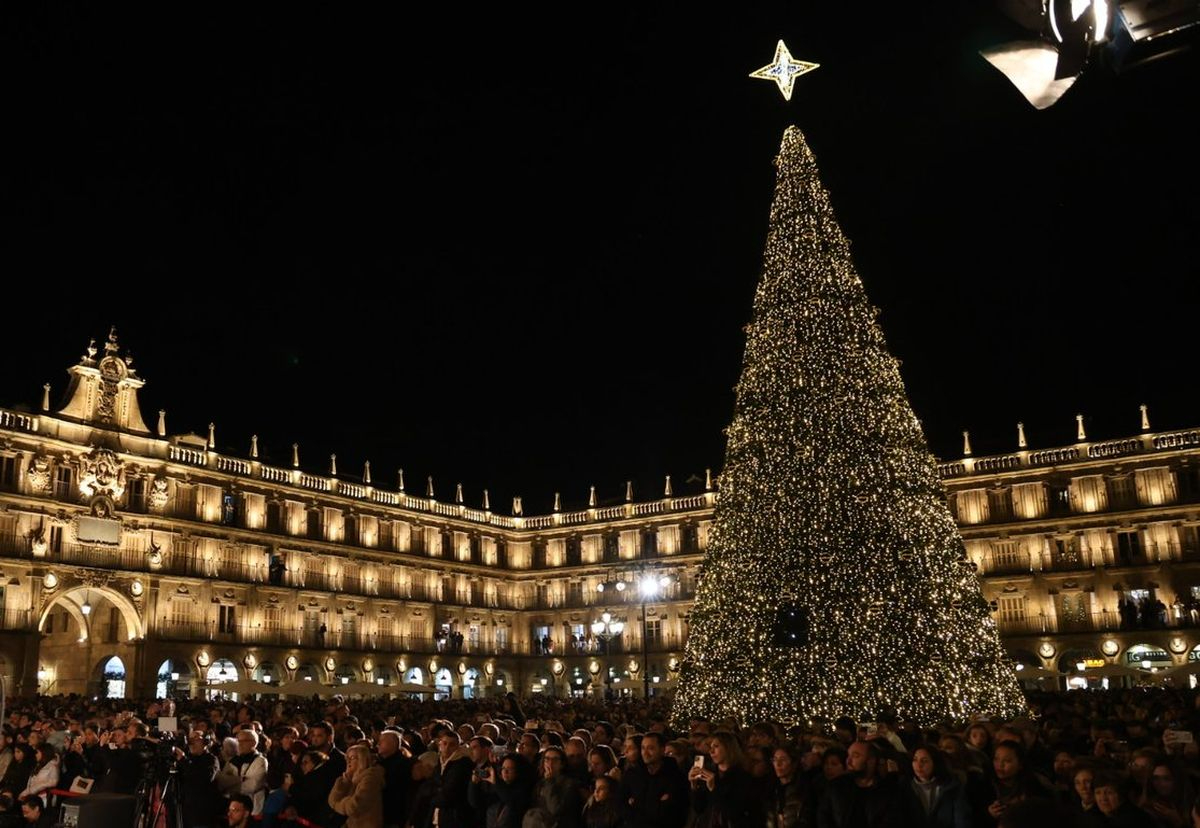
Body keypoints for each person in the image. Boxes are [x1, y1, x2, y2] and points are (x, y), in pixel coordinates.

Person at [688, 730, 762, 827]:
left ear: (728, 748)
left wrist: (714, 789)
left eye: (716, 746)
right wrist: (694, 786)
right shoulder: (709, 773)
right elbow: (699, 808)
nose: (711, 751)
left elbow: (734, 812)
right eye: (710, 747)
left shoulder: (742, 777)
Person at [620, 731, 688, 828]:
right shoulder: (632, 774)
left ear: (662, 750)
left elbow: (675, 811)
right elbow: (620, 802)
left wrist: (637, 804)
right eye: (643, 748)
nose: (645, 753)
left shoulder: (676, 777)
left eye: (651, 748)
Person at [896, 745, 969, 828]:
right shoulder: (905, 786)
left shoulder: (951, 786)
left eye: (924, 761)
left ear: (935, 762)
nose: (919, 765)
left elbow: (962, 819)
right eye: (915, 760)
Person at [522, 745, 582, 828]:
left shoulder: (569, 784)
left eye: (555, 760)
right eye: (547, 759)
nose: (550, 763)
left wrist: (549, 782)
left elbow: (555, 809)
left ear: (562, 764)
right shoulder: (540, 783)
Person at [329, 743, 385, 828]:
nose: (349, 762)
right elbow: (332, 800)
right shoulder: (351, 778)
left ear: (361, 759)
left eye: (352, 758)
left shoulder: (371, 778)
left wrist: (337, 804)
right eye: (347, 759)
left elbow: (354, 807)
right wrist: (345, 782)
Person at [217, 728, 268, 814]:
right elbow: (222, 782)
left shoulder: (260, 760)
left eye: (243, 741)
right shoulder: (232, 761)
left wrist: (231, 785)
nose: (239, 744)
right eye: (238, 741)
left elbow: (253, 785)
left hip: (253, 808)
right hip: (233, 808)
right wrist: (241, 779)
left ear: (254, 743)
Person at [178, 731, 221, 828]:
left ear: (206, 742)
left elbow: (202, 779)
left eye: (196, 739)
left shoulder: (211, 759)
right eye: (190, 740)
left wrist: (183, 760)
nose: (191, 743)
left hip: (201, 815)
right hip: (184, 812)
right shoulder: (187, 758)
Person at [770, 745, 809, 828]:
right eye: (775, 760)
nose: (778, 764)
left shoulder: (803, 789)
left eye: (783, 760)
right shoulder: (771, 789)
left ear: (793, 763)